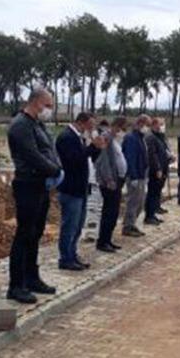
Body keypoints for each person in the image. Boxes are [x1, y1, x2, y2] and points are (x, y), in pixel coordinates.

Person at [7, 88, 63, 304]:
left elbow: (49, 150)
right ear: (35, 102)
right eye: (47, 105)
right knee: (24, 234)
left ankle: (31, 277)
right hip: (27, 184)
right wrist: (55, 170)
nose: (49, 110)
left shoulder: (38, 125)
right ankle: (16, 285)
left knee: (35, 233)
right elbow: (32, 155)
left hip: (40, 185)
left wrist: (57, 167)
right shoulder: (20, 125)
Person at [55, 112, 107, 271]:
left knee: (78, 226)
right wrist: (92, 147)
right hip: (71, 189)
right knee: (69, 226)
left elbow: (87, 158)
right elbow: (74, 160)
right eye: (90, 125)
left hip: (81, 188)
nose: (92, 128)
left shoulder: (79, 137)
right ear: (82, 122)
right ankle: (65, 258)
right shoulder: (67, 137)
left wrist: (97, 148)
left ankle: (72, 254)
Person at [95, 117, 128, 252]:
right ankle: (102, 241)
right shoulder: (106, 138)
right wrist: (109, 179)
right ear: (116, 126)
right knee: (109, 212)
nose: (122, 131)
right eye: (122, 128)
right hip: (110, 182)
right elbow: (103, 161)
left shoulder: (114, 139)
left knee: (114, 212)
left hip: (118, 179)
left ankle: (108, 239)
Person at [122, 114, 151, 237]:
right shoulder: (131, 138)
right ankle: (128, 226)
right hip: (135, 175)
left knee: (140, 202)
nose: (147, 128)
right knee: (133, 202)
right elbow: (130, 158)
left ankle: (132, 223)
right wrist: (133, 176)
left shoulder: (140, 137)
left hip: (141, 175)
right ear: (140, 123)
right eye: (147, 125)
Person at [144, 117, 171, 225]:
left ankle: (153, 213)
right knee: (152, 192)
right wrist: (157, 168)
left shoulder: (160, 136)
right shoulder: (151, 137)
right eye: (160, 124)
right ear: (154, 125)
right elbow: (152, 155)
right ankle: (149, 216)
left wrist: (169, 157)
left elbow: (163, 151)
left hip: (163, 167)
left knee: (156, 192)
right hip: (155, 170)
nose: (162, 126)